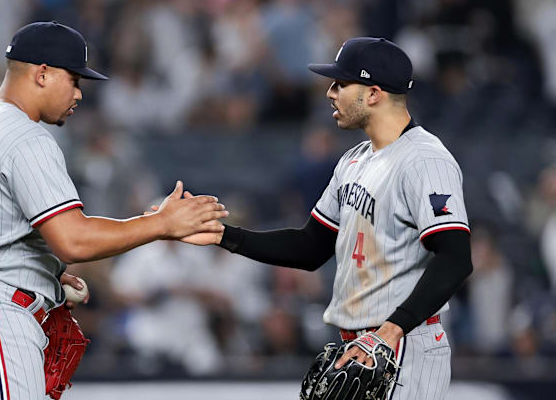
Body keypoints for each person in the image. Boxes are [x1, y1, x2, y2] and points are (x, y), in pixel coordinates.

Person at [0, 21, 228, 400]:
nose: (79, 93)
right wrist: (161, 223)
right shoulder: (25, 135)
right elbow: (73, 241)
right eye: (74, 79)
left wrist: (38, 268)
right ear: (42, 73)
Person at [181, 37, 473, 399]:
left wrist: (391, 329)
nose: (330, 93)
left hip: (405, 344)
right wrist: (224, 235)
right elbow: (311, 246)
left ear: (373, 93)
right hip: (359, 346)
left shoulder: (425, 160)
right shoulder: (354, 160)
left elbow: (456, 258)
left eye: (340, 84)